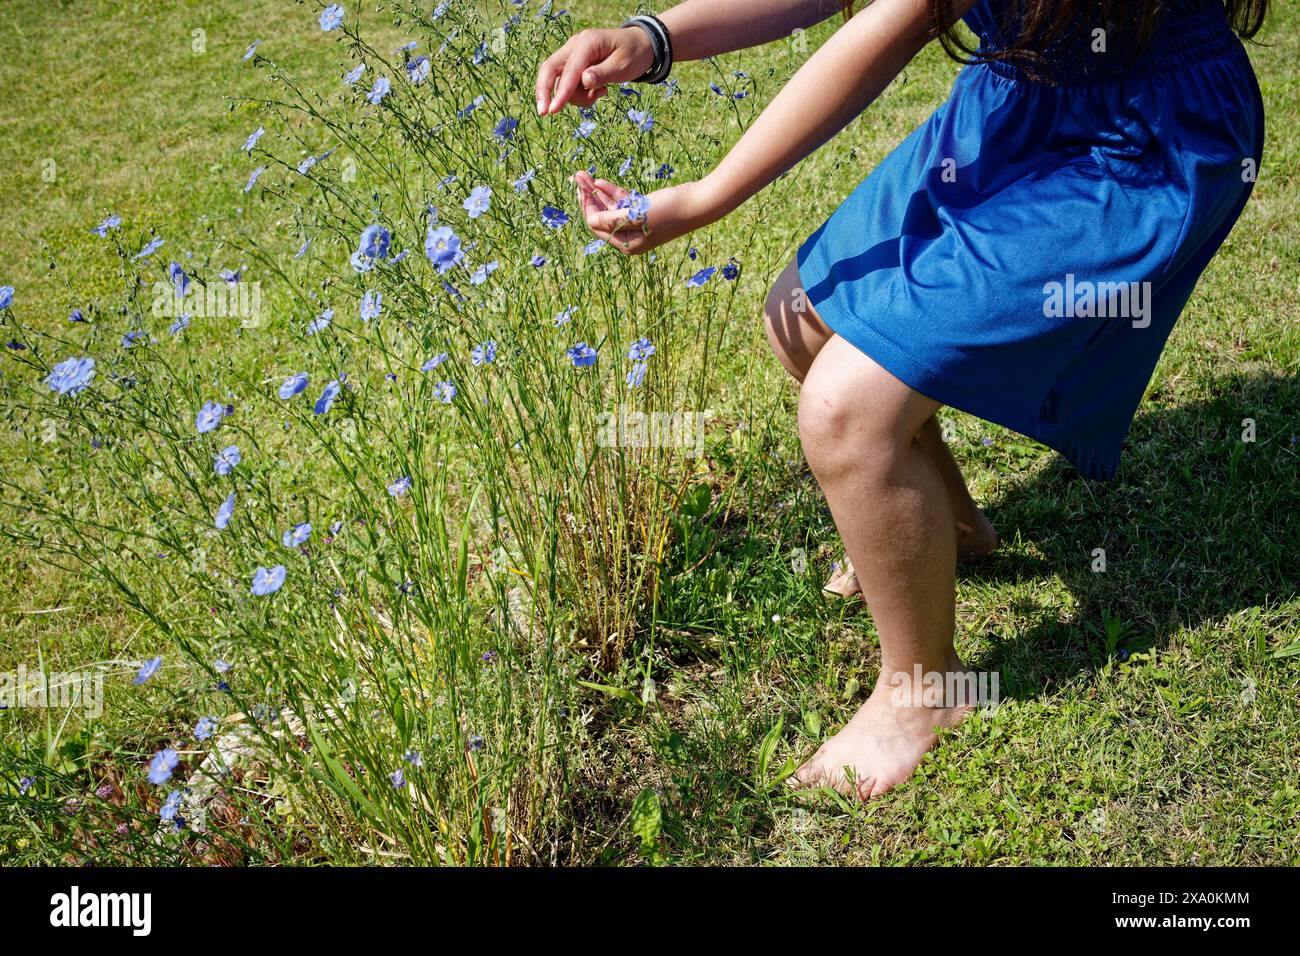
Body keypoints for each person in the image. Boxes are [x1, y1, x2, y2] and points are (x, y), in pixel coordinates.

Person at [534, 0, 1267, 799]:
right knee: (803, 318)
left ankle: (925, 695)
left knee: (847, 410)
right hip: (1020, 102)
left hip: (1141, 135)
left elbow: (902, 16)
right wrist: (656, 36)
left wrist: (706, 196)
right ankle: (947, 526)